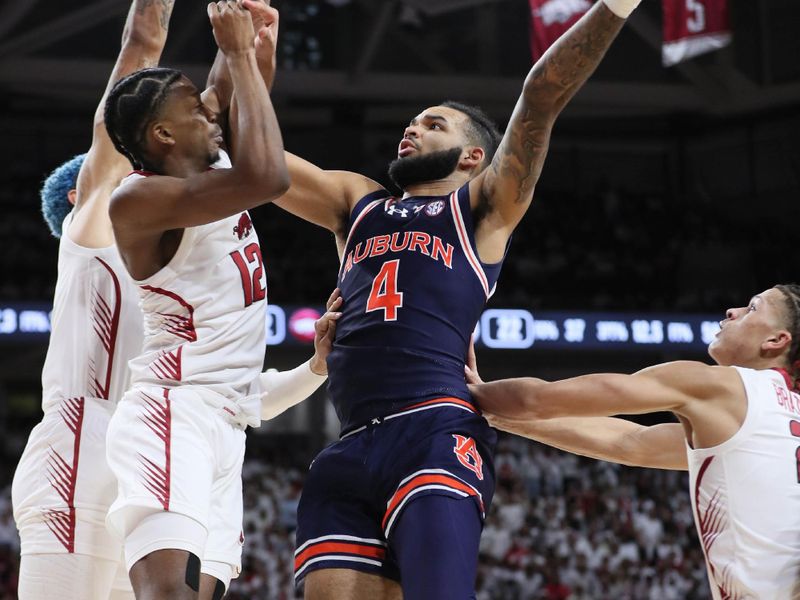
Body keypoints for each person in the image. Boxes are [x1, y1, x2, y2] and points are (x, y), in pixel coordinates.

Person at [254, 0, 645, 597]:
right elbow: (258, 166)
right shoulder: (358, 203)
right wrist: (248, 65)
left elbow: (540, 95)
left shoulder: (483, 209)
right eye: (412, 120)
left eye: (433, 123)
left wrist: (614, 7)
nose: (411, 128)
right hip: (349, 442)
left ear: (473, 158)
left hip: (433, 429)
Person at [102, 1, 292, 598]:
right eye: (195, 111)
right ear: (162, 136)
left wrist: (249, 30)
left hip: (226, 423)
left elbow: (226, 86)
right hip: (173, 412)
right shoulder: (139, 200)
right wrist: (238, 53)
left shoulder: (213, 162)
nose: (212, 113)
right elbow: (270, 179)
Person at [470, 284, 800, 599]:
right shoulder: (776, 419)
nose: (733, 311)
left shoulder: (721, 386)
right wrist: (496, 415)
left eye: (752, 307)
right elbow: (630, 442)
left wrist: (471, 394)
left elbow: (540, 400)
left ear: (776, 339)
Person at [11, 1, 176, 598]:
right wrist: (151, 22)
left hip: (143, 462)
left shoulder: (170, 265)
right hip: (75, 457)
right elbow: (130, 77)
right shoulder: (91, 234)